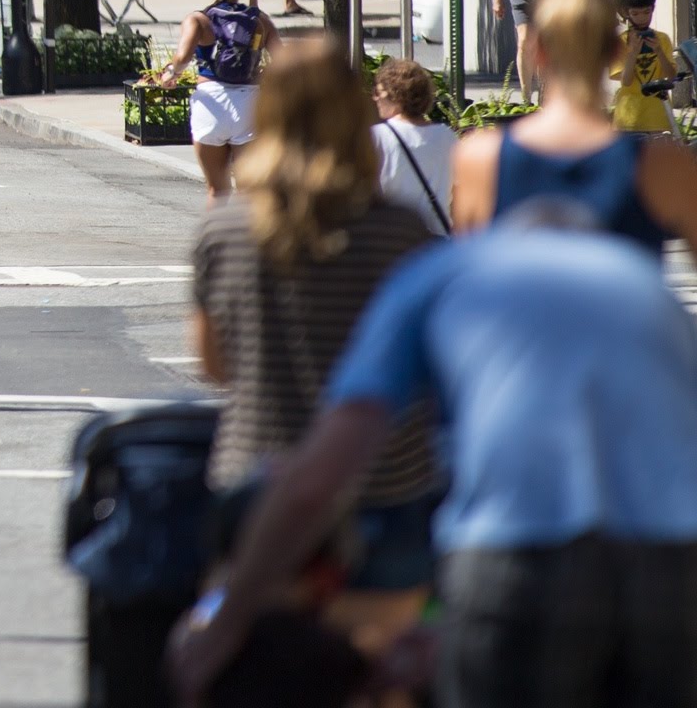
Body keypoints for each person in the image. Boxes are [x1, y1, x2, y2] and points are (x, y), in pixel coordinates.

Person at [169, 212, 697, 708]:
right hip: (670, 560)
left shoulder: (446, 274)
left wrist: (229, 619)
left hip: (516, 554)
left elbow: (323, 472)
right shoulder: (648, 290)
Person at [188, 45, 443, 652]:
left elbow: (215, 364)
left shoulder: (224, 230)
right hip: (386, 481)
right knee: (385, 664)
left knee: (266, 664)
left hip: (257, 481)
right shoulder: (398, 231)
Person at [452, 0, 697, 251]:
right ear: (613, 49)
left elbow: (465, 270)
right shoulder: (662, 164)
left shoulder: (482, 159)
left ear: (538, 51)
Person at [158, 0, 276, 202]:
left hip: (210, 105)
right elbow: (284, 61)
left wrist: (171, 74)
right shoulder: (260, 20)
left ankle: (218, 240)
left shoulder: (199, 20)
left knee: (217, 191)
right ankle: (248, 240)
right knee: (249, 192)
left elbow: (182, 57)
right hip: (248, 106)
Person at [371, 56, 456, 236]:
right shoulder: (446, 136)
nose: (374, 98)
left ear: (395, 95)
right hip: (436, 241)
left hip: (393, 239)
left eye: (378, 92)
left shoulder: (377, 136)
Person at [612, 0, 685, 136]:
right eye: (635, 13)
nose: (642, 18)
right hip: (628, 121)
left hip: (657, 118)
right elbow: (626, 81)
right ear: (627, 14)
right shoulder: (621, 42)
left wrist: (659, 51)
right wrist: (632, 54)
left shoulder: (662, 39)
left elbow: (670, 76)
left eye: (647, 12)